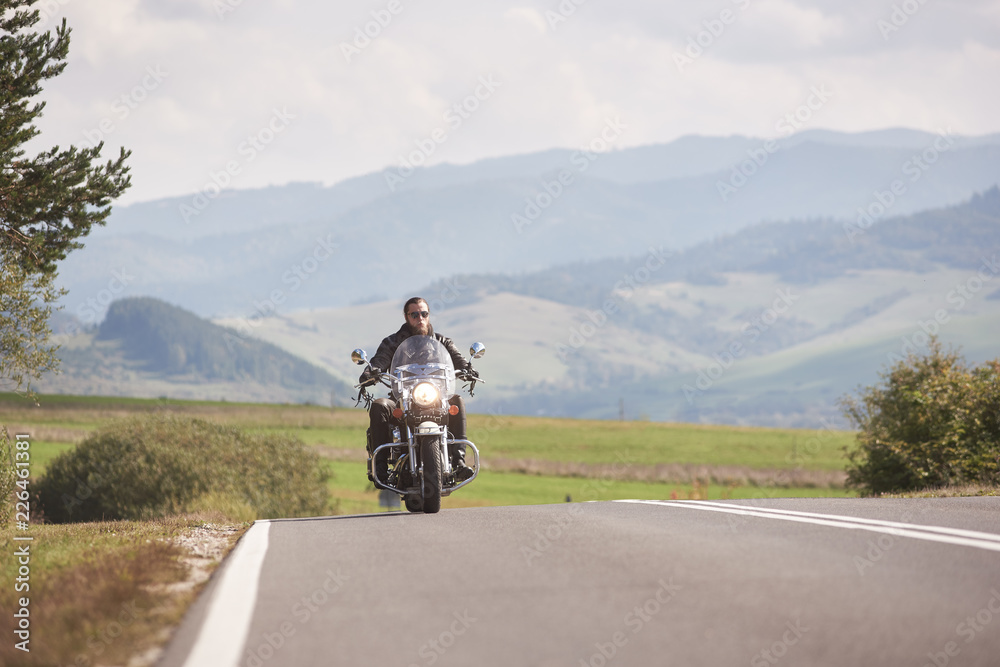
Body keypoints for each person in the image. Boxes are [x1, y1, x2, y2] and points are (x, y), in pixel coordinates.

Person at [360, 297, 475, 487]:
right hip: (402, 399)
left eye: (424, 314)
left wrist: (466, 368)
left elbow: (457, 358)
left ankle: (458, 461)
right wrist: (370, 371)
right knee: (380, 406)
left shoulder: (442, 341)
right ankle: (380, 467)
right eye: (414, 315)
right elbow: (379, 360)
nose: (420, 318)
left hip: (436, 397)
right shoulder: (392, 342)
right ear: (407, 317)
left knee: (457, 401)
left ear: (428, 316)